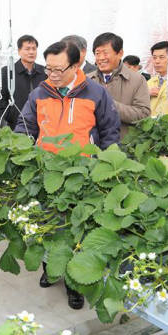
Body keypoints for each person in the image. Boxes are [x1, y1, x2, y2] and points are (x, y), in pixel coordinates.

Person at [15, 40, 120, 309]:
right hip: (46, 173)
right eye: (48, 68)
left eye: (58, 69)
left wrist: (106, 168)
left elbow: (110, 133)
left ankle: (75, 284)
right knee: (47, 226)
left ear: (76, 65)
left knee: (78, 231)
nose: (52, 74)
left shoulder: (96, 93)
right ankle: (50, 269)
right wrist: (22, 149)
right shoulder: (40, 93)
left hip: (82, 175)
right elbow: (25, 126)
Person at [86, 33, 151, 137]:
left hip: (124, 147)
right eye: (97, 53)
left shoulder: (137, 80)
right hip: (92, 148)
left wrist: (110, 105)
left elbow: (143, 115)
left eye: (105, 53)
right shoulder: (87, 80)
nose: (101, 58)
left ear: (120, 53)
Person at [0, 35, 46, 127]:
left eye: (34, 49)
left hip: (41, 124)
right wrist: (12, 116)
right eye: (27, 49)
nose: (31, 52)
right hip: (17, 124)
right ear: (19, 51)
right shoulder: (8, 72)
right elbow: (0, 100)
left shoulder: (44, 72)